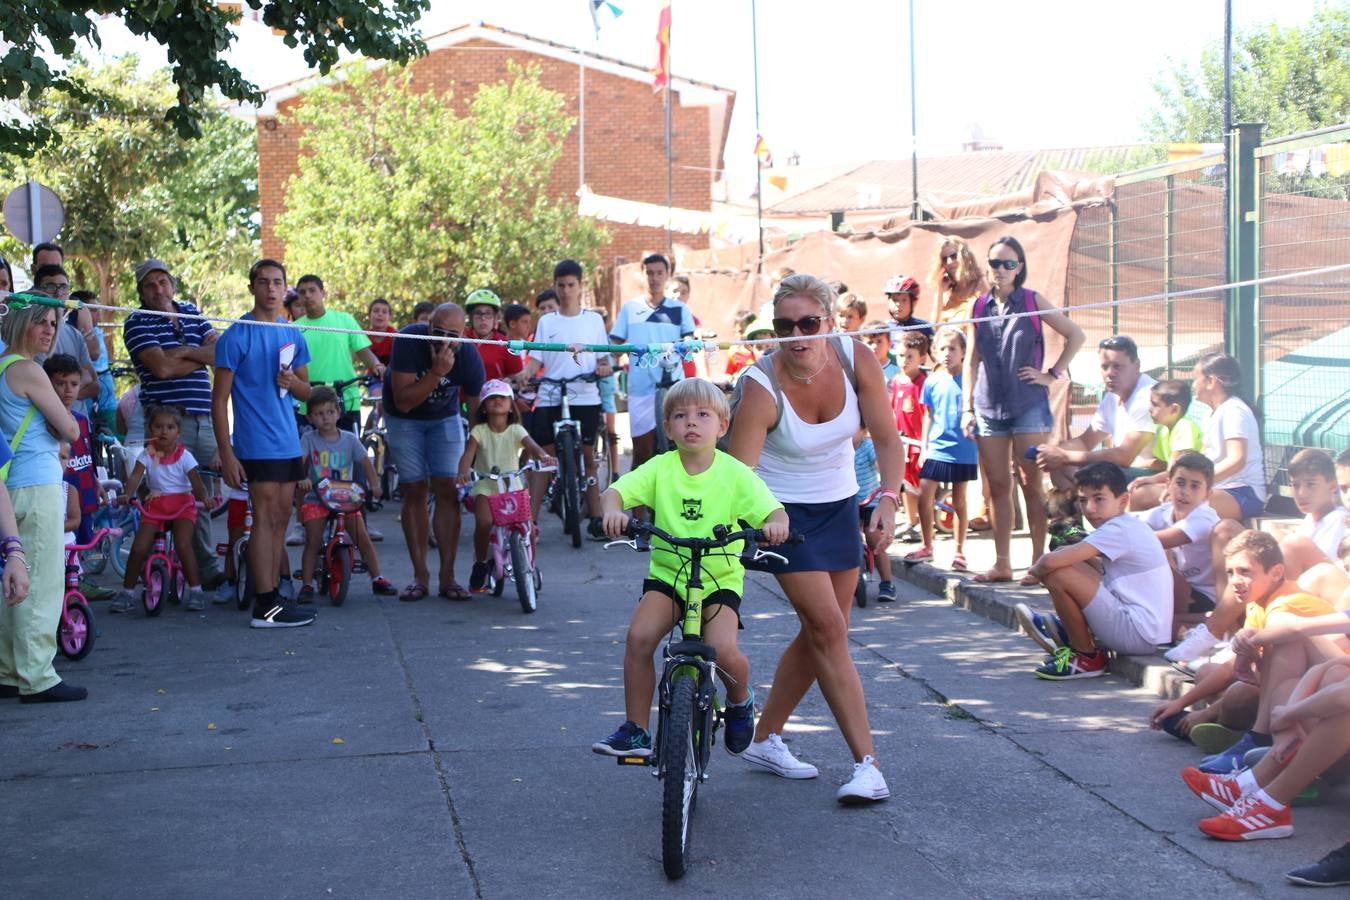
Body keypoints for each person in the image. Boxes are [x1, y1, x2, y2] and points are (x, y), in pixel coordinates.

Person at [728, 273, 901, 804]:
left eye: (808, 323)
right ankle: (867, 764)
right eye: (784, 326)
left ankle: (765, 737)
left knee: (827, 628)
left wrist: (889, 500)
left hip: (839, 503)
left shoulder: (855, 358)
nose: (796, 335)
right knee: (828, 627)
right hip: (781, 514)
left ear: (830, 320)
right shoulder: (761, 386)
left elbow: (889, 437)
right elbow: (739, 476)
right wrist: (762, 520)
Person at [594, 378, 788, 757]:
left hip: (719, 579)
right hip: (669, 576)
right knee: (639, 638)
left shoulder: (735, 473)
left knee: (722, 649)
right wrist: (613, 511)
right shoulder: (659, 468)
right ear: (668, 429)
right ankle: (636, 729)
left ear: (722, 425)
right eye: (680, 416)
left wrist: (776, 525)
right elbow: (613, 492)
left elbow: (773, 510)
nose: (691, 423)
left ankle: (739, 700)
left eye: (703, 415)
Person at [961, 237, 1084, 583]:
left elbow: (1075, 335)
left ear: (1020, 268)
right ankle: (1002, 563)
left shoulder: (1031, 301)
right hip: (987, 407)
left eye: (1008, 264)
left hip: (1029, 405)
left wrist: (1052, 375)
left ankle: (1038, 562)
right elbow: (972, 360)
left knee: (1032, 483)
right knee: (998, 486)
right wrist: (966, 408)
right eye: (995, 263)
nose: (1000, 270)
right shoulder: (978, 306)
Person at [212, 259, 316, 629]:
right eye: (264, 282)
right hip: (256, 444)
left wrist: (293, 384)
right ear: (252, 286)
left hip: (289, 442)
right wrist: (226, 452)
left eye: (277, 282)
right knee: (263, 522)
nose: (271, 289)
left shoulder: (293, 333)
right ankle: (265, 605)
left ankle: (274, 600)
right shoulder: (237, 334)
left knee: (280, 522)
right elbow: (218, 400)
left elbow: (308, 391)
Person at [1014, 462, 1173, 679]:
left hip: (1137, 633)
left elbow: (1050, 563)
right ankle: (1072, 629)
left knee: (1057, 572)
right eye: (1083, 500)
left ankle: (1086, 656)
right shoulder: (1125, 524)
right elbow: (1069, 555)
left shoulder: (1118, 529)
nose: (1089, 508)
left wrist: (1036, 571)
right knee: (1071, 559)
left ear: (1123, 501)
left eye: (1099, 499)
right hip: (1142, 629)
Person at [123, 258, 225, 590]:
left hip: (204, 419)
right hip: (165, 425)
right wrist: (197, 355)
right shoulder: (137, 321)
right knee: (164, 494)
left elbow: (220, 353)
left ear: (172, 284)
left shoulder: (192, 312)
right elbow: (162, 370)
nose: (158, 289)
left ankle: (202, 568)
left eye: (163, 282)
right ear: (141, 291)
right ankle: (179, 570)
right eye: (150, 285)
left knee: (203, 496)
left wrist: (182, 351)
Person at [0, 293, 83, 701]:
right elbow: (69, 429)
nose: (51, 330)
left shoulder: (1, 369)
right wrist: (70, 426)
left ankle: (8, 671)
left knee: (12, 581)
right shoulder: (28, 370)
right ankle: (37, 676)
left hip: (12, 485)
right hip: (38, 483)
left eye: (54, 323)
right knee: (41, 583)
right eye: (43, 322)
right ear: (22, 325)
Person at [385, 302, 485, 602]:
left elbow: (476, 409)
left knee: (448, 490)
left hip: (444, 419)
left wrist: (476, 451)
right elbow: (403, 401)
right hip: (404, 419)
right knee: (414, 489)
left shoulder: (468, 353)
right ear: (428, 326)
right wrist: (437, 372)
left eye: (451, 335)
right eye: (437, 331)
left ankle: (448, 577)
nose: (443, 340)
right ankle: (420, 576)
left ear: (462, 333)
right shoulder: (407, 341)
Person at [520, 260, 612, 532]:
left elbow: (603, 357)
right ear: (554, 286)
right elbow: (535, 360)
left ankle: (596, 518)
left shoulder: (594, 320)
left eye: (571, 284)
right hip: (551, 395)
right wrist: (525, 373)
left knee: (587, 458)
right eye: (561, 285)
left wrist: (604, 366)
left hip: (585, 396)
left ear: (580, 286)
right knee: (545, 459)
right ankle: (530, 522)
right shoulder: (547, 321)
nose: (566, 290)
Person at [295, 387, 396, 602]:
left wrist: (375, 483)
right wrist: (301, 479)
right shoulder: (308, 439)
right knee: (312, 540)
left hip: (345, 496)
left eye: (330, 412)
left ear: (339, 413)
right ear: (310, 417)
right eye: (319, 414)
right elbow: (299, 463)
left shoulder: (349, 439)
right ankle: (306, 584)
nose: (326, 418)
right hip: (317, 496)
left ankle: (377, 577)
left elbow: (365, 463)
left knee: (362, 536)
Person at [108, 405, 211, 613]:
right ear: (150, 430)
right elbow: (136, 477)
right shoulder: (149, 454)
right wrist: (127, 494)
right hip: (155, 505)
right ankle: (127, 592)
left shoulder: (185, 456)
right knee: (138, 548)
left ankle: (197, 590)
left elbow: (197, 484)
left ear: (178, 432)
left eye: (170, 427)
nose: (164, 431)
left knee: (183, 545)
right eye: (158, 427)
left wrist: (205, 500)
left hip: (183, 505)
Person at [456, 379, 555, 592]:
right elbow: (468, 455)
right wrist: (464, 471)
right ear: (483, 406)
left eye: (502, 397)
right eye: (491, 398)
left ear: (511, 404)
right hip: (486, 485)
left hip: (513, 485)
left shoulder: (516, 430)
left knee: (529, 527)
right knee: (483, 522)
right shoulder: (479, 431)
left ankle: (530, 565)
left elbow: (533, 447)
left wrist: (544, 456)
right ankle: (481, 563)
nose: (497, 401)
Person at [1036, 335, 1158, 491]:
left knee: (1071, 465)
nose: (1110, 373)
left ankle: (1087, 500)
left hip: (1151, 475)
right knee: (1059, 465)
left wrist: (1065, 457)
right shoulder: (1112, 397)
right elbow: (1085, 442)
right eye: (1105, 367)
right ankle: (1076, 510)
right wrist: (1053, 451)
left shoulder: (1148, 396)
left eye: (1117, 366)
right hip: (1126, 471)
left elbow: (1124, 456)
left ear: (1137, 366)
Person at [609, 253, 693, 473]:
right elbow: (614, 343)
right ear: (642, 275)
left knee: (679, 452)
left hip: (674, 388)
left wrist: (689, 345)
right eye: (650, 273)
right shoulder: (629, 308)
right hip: (641, 389)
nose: (654, 278)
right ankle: (637, 508)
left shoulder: (680, 309)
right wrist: (604, 362)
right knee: (641, 454)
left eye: (659, 273)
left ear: (668, 275)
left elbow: (689, 341)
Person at [905, 328, 977, 570]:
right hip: (937, 448)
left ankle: (959, 551)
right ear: (935, 352)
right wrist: (924, 447)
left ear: (964, 352)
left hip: (964, 449)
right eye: (943, 349)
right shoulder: (933, 381)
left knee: (959, 500)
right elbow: (928, 415)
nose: (948, 354)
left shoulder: (970, 381)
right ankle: (927, 545)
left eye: (953, 349)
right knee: (925, 493)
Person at [1136, 452, 1222, 635]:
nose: (1185, 492)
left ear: (1207, 494)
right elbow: (1129, 524)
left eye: (1195, 486)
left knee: (1153, 551)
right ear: (1168, 485)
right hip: (1178, 591)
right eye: (1180, 483)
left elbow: (1154, 540)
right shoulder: (1163, 512)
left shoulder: (1204, 518)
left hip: (1203, 598)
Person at [294, 275, 385, 434]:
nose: (307, 295)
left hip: (346, 400)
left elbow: (363, 352)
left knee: (348, 455)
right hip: (309, 404)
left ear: (323, 293)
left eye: (312, 290)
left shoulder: (345, 320)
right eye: (302, 292)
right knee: (310, 457)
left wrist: (377, 366)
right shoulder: (293, 328)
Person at [1195, 352, 1267, 521]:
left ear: (1211, 381)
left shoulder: (1234, 411)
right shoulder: (1210, 414)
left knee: (1180, 501)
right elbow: (1203, 459)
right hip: (1220, 489)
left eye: (1195, 379)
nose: (1193, 385)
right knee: (1144, 493)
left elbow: (1237, 460)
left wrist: (1199, 484)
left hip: (1244, 493)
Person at [1126, 379, 1205, 510]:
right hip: (1172, 478)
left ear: (1174, 409)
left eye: (1155, 405)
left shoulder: (1184, 427)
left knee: (1137, 492)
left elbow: (1179, 471)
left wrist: (1150, 480)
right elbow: (1161, 463)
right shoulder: (1163, 430)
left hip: (1186, 484)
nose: (1150, 410)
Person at [28, 265, 97, 401]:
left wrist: (63, 394)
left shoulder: (75, 334)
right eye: (50, 287)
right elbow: (39, 388)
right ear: (37, 290)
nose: (58, 293)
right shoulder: (30, 334)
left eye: (64, 287)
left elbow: (95, 385)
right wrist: (76, 385)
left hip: (79, 419)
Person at [1276, 449, 1346, 580]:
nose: (1301, 493)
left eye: (1311, 484)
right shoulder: (1310, 519)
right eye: (1295, 485)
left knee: (1292, 544)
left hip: (1329, 589)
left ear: (1332, 486)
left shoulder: (1339, 518)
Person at [891, 331, 929, 538]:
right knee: (904, 482)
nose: (904, 361)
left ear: (921, 358)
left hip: (917, 443)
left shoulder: (922, 383)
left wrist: (924, 443)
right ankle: (911, 520)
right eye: (901, 356)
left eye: (910, 357)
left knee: (919, 485)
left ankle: (924, 523)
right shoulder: (897, 381)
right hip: (901, 441)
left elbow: (926, 414)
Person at [853, 428, 896, 600]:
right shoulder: (840, 448)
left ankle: (887, 583)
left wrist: (889, 481)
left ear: (864, 430)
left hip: (871, 501)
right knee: (847, 538)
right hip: (848, 502)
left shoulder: (868, 446)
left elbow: (880, 463)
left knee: (874, 538)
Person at [69, 292, 118, 433]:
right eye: (93, 310)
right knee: (87, 424)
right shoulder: (75, 332)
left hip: (104, 380)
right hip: (85, 383)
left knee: (110, 422)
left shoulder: (97, 331)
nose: (98, 314)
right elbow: (94, 354)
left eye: (98, 310)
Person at [464, 289, 524, 383]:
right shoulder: (460, 339)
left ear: (495, 318)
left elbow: (518, 376)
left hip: (493, 396)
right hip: (461, 397)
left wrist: (509, 381)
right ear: (471, 317)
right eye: (478, 313)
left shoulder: (506, 344)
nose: (483, 318)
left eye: (488, 313)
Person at [930, 236, 985, 326]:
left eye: (953, 256)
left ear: (965, 257)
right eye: (944, 259)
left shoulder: (980, 284)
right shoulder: (947, 293)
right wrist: (939, 291)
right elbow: (933, 327)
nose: (949, 262)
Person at [882, 275, 933, 342]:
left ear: (913, 302)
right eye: (894, 300)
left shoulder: (924, 328)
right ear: (888, 301)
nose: (898, 304)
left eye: (904, 300)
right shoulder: (882, 329)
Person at [366, 298, 398, 366]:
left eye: (384, 312)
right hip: (371, 376)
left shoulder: (396, 336)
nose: (380, 314)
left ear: (390, 317)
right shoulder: (364, 336)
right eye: (376, 311)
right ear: (369, 316)